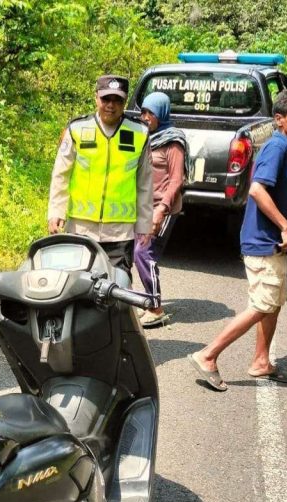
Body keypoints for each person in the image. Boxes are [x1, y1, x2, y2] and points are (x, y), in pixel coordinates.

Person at [188, 89, 287, 392]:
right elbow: (256, 189)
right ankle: (208, 355)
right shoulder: (277, 148)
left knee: (273, 304)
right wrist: (285, 227)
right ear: (279, 120)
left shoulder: (286, 146)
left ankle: (261, 362)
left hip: (274, 244)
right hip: (264, 241)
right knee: (261, 305)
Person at [48, 75, 154, 277]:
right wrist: (56, 211)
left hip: (120, 232)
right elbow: (61, 174)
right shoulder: (77, 129)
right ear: (96, 98)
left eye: (117, 100)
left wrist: (144, 225)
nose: (111, 106)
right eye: (106, 99)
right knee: (75, 285)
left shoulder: (139, 132)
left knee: (117, 290)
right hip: (80, 228)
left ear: (125, 101)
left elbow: (145, 183)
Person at [134, 92, 186, 328]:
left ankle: (156, 307)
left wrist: (161, 210)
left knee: (144, 253)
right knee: (135, 252)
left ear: (162, 114)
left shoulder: (173, 141)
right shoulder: (145, 137)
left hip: (161, 207)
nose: (145, 117)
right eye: (143, 112)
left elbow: (176, 180)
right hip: (142, 204)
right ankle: (146, 300)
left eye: (151, 113)